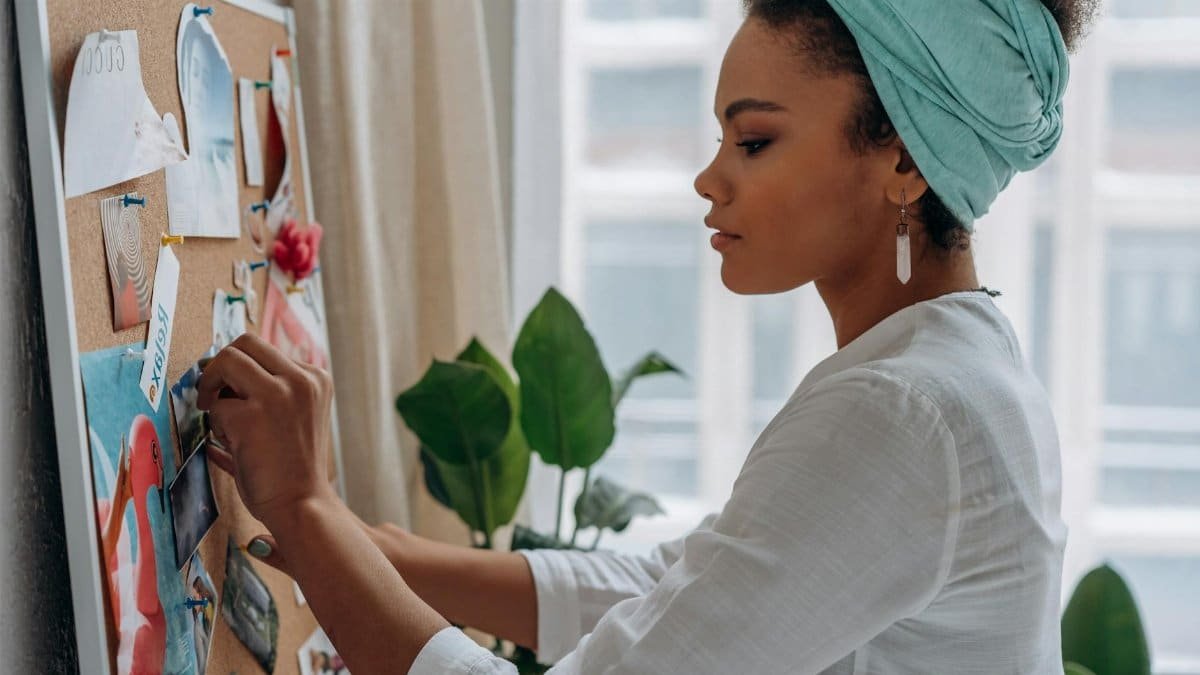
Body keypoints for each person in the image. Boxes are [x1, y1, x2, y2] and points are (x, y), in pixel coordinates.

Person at [199, 1, 1096, 672]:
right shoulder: (962, 372)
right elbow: (687, 587)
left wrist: (309, 515)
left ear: (902, 158)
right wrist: (390, 558)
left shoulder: (902, 411)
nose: (710, 179)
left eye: (753, 140)